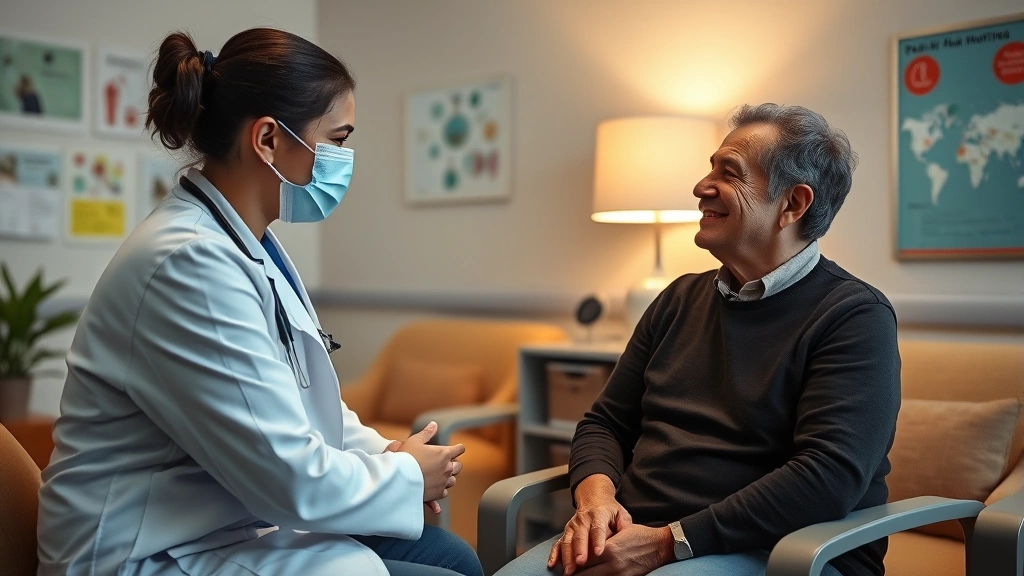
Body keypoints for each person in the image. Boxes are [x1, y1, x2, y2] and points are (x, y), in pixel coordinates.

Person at [36, 28, 483, 576]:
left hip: (216, 523)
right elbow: (286, 475)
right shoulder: (188, 263)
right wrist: (407, 476)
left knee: (450, 556)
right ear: (268, 139)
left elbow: (300, 405)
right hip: (135, 549)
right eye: (337, 140)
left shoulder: (246, 244)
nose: (343, 159)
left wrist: (387, 454)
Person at [498, 104, 900, 576]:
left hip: (784, 552)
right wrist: (596, 500)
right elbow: (604, 423)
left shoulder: (855, 316)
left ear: (792, 204)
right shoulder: (678, 299)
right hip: (637, 535)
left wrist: (670, 543)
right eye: (710, 167)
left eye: (729, 173)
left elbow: (826, 477)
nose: (700, 187)